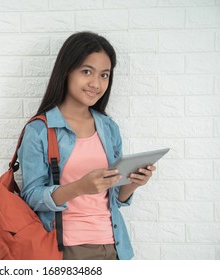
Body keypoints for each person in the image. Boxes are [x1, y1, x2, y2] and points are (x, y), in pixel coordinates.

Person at [17, 31, 156, 260]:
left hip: (116, 246)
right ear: (66, 72)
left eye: (104, 75)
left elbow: (115, 199)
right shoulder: (40, 130)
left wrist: (132, 183)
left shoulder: (108, 127)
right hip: (67, 249)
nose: (96, 83)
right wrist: (78, 187)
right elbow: (31, 196)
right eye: (86, 72)